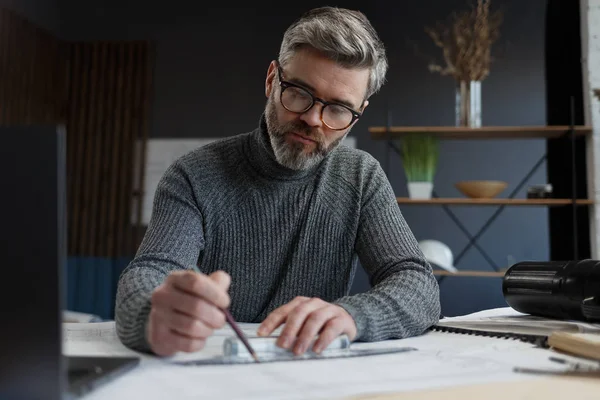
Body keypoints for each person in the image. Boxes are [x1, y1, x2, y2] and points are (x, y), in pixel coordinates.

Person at [115, 6, 441, 357]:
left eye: (338, 109)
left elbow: (417, 283)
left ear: (357, 114)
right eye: (300, 93)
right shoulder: (192, 175)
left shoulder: (361, 178)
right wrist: (154, 315)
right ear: (272, 79)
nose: (314, 120)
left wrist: (353, 315)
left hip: (314, 373)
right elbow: (149, 273)